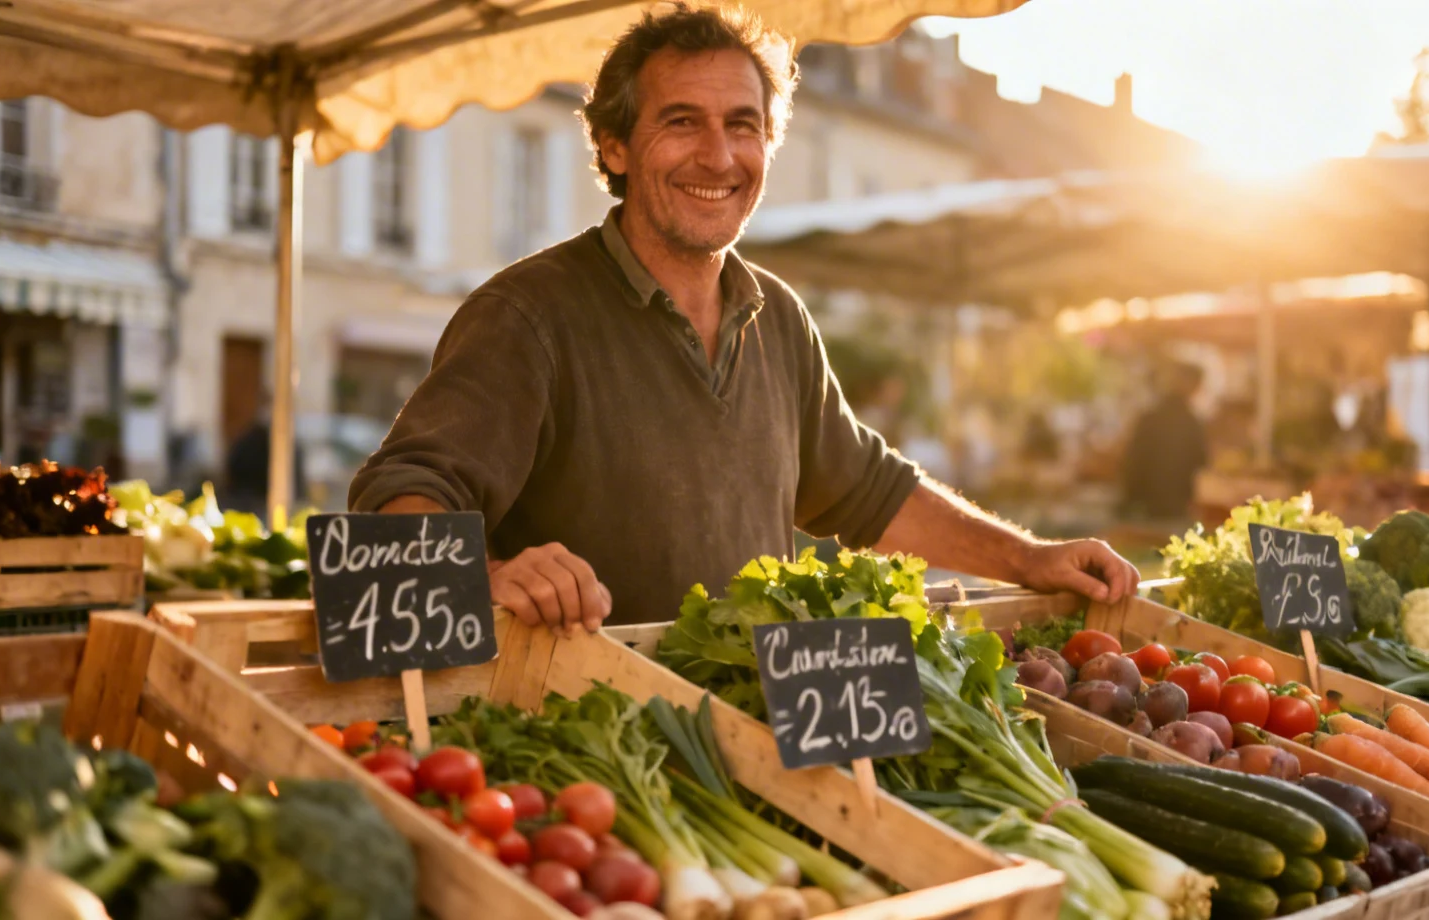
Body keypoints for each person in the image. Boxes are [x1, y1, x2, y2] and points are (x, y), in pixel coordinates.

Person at [349, 4, 1140, 631]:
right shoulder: (528, 316)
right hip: (583, 746)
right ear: (615, 145)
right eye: (682, 121)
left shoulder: (779, 319)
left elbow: (865, 488)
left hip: (748, 736)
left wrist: (1028, 557)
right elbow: (403, 495)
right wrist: (487, 576)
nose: (719, 158)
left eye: (743, 126)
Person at [1120, 362, 1208, 521]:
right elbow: (1200, 461)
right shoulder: (1190, 421)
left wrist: (1130, 497)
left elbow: (1133, 460)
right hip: (1175, 502)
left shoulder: (1151, 416)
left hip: (1147, 500)